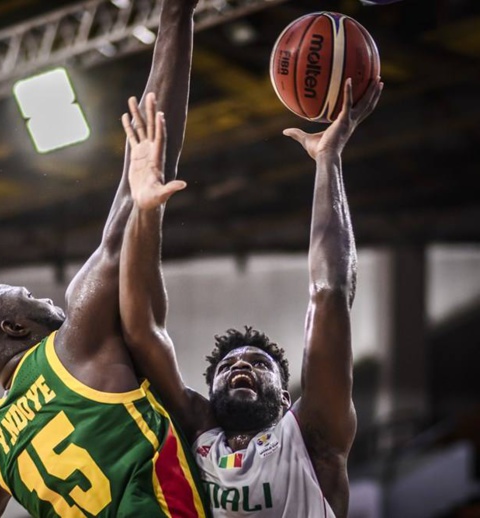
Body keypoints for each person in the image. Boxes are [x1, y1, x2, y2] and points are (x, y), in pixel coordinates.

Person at [0, 1, 209, 516]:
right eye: (28, 299)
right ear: (14, 328)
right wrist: (177, 16)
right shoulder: (78, 341)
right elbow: (134, 195)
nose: (43, 298)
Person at [118, 77, 384, 517]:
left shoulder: (311, 437)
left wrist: (328, 160)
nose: (240, 364)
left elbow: (329, 295)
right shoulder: (196, 428)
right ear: (210, 392)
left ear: (285, 398)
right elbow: (143, 331)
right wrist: (143, 213)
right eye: (228, 366)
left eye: (259, 364)